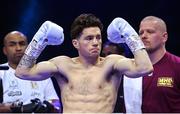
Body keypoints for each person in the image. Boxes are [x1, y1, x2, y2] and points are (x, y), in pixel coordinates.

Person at [15, 13, 153, 113]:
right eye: (89, 38)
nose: (95, 42)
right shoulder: (63, 64)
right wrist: (39, 42)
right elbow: (22, 72)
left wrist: (129, 35)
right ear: (76, 43)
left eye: (98, 37)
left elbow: (145, 67)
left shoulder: (112, 63)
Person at [123, 16, 180, 113]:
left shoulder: (177, 66)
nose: (143, 36)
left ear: (164, 37)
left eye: (150, 31)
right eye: (141, 33)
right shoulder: (130, 68)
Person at [0, 31, 61, 113]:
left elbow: (57, 105)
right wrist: (20, 109)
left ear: (28, 47)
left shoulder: (41, 72)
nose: (18, 48)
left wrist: (47, 106)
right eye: (12, 44)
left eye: (22, 44)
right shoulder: (1, 72)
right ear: (5, 50)